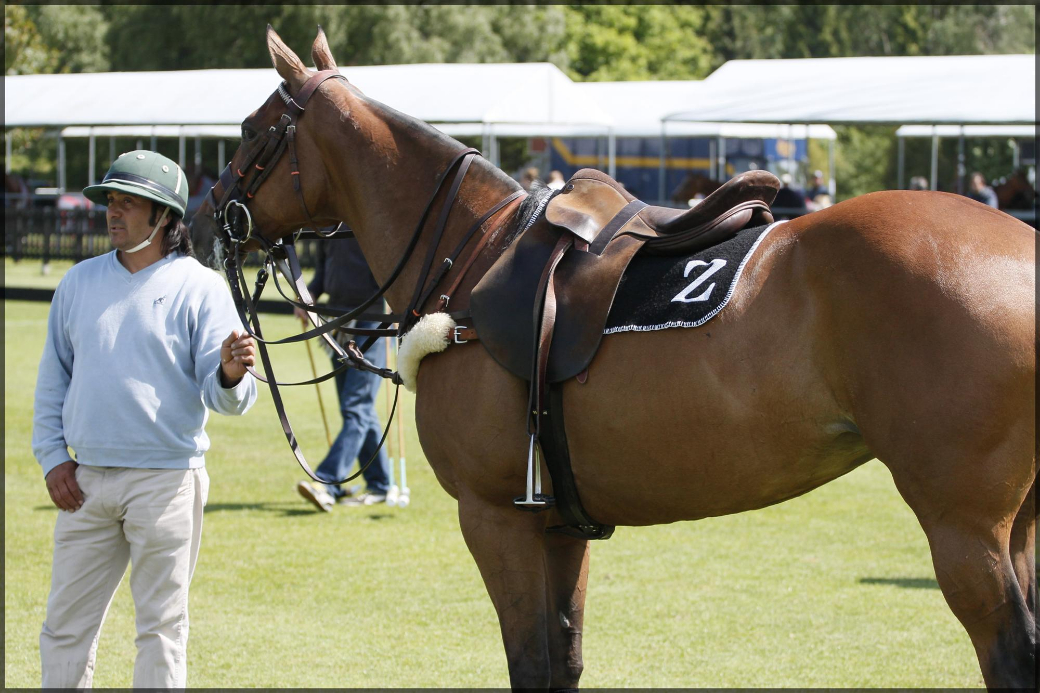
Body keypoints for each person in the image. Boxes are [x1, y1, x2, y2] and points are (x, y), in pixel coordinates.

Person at [32, 150, 258, 688]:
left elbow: (233, 398)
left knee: (160, 630)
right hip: (83, 483)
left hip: (167, 482)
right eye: (111, 201)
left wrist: (228, 374)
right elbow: (51, 383)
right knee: (64, 629)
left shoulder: (201, 288)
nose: (114, 212)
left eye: (128, 203)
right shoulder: (78, 283)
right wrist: (52, 460)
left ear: (164, 217)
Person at [294, 235, 392, 511]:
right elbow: (325, 269)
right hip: (338, 322)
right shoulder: (330, 224)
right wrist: (310, 293)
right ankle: (380, 484)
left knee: (355, 406)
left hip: (372, 322)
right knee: (358, 408)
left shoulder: (367, 213)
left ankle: (327, 482)